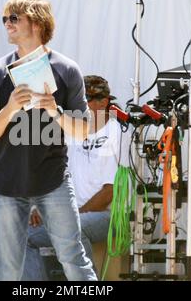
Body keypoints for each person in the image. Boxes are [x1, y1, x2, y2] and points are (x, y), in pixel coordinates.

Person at [0, 0, 97, 281]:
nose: (7, 24)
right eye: (5, 18)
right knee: (6, 269)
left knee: (73, 258)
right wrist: (9, 109)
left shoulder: (67, 69)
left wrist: (55, 111)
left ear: (37, 22)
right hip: (7, 183)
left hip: (52, 179)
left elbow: (83, 130)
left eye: (14, 18)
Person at [23, 75, 127, 280]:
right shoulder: (70, 132)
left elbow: (110, 191)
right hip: (71, 215)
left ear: (104, 102)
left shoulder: (118, 132)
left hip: (109, 216)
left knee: (74, 228)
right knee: (23, 235)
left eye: (85, 98)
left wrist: (71, 215)